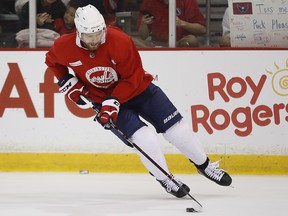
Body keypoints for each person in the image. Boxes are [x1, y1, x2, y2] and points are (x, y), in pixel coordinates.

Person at [45, 4, 232, 198]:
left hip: (139, 90)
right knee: (144, 138)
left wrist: (114, 100)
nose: (94, 40)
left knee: (178, 130)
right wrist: (66, 80)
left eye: (98, 33)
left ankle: (205, 166)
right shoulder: (63, 46)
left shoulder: (121, 41)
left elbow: (133, 77)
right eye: (89, 36)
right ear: (78, 32)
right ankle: (166, 179)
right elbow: (52, 61)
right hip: (104, 100)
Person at [136, 0, 206, 47]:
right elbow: (143, 36)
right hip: (155, 45)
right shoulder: (149, 2)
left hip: (180, 44)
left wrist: (183, 23)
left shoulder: (187, 1)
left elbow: (202, 29)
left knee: (192, 40)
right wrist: (144, 24)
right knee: (132, 42)